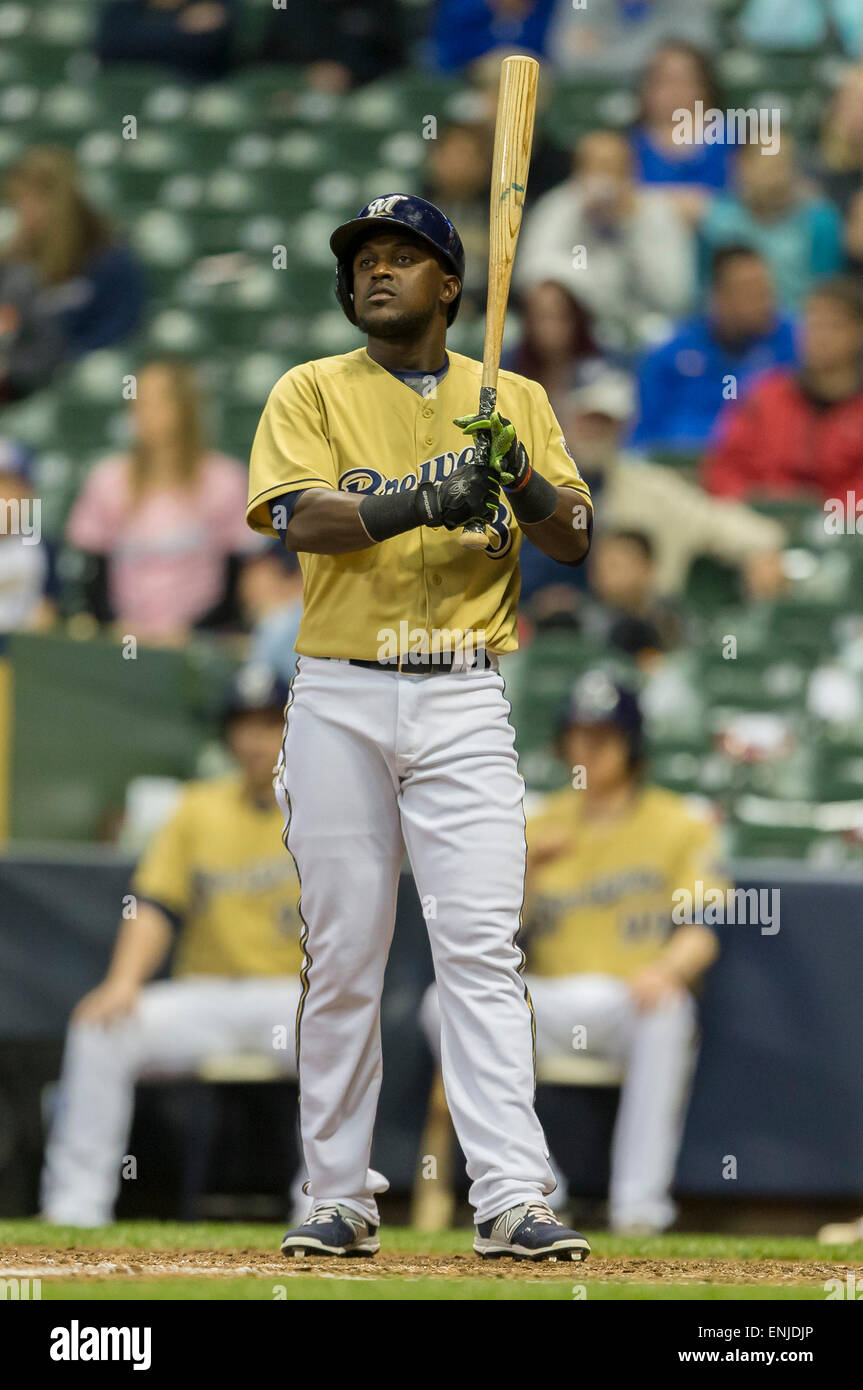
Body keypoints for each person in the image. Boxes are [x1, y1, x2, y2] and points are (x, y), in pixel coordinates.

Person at [246, 193, 594, 1262]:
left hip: (461, 690)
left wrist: (517, 472)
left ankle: (510, 1196)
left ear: (451, 285)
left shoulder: (513, 396)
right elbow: (296, 517)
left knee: (481, 950)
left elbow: (576, 535)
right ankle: (338, 1193)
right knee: (346, 955)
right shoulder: (308, 388)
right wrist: (421, 496)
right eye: (364, 261)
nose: (377, 273)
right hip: (340, 692)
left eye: (403, 258)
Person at [422, 672, 723, 1233]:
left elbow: (702, 931)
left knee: (670, 1012)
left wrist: (666, 971)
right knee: (442, 1003)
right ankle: (533, 1189)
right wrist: (529, 869)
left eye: (602, 738)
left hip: (629, 998)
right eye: (578, 737)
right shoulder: (538, 822)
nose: (587, 750)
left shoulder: (677, 823)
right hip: (549, 1000)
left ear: (631, 744)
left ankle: (640, 1209)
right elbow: (494, 934)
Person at [40, 668, 304, 1228]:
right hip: (208, 996)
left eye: (268, 723)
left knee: (345, 1033)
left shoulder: (329, 806)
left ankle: (328, 1207)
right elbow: (154, 905)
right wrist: (122, 983)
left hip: (294, 1000)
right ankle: (74, 1210)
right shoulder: (196, 808)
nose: (255, 739)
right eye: (243, 725)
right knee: (100, 1026)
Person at [66, 358, 264, 645]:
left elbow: (240, 574)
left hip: (200, 643)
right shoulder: (107, 478)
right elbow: (93, 569)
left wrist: (196, 631)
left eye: (159, 402)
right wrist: (117, 625)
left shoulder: (224, 479)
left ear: (184, 409)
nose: (144, 412)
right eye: (139, 402)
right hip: (123, 638)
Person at [562, 370, 788, 599]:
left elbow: (720, 522)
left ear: (622, 428)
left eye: (604, 423)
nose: (594, 432)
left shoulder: (650, 489)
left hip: (640, 621)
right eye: (586, 421)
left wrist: (760, 551)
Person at [516, 130, 696, 351]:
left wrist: (628, 226)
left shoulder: (658, 211)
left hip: (641, 325)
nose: (604, 180)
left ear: (632, 171)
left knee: (663, 333)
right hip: (576, 328)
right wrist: (582, 220)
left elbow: (675, 295)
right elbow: (531, 279)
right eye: (595, 168)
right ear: (578, 171)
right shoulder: (558, 207)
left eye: (613, 169)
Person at [703, 277, 863, 502]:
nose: (819, 336)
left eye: (833, 326)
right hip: (759, 522)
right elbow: (725, 467)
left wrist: (826, 516)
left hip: (844, 527)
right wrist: (749, 503)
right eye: (812, 324)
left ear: (857, 334)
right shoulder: (764, 396)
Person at [632, 245, 797, 452]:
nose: (764, 301)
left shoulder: (794, 345)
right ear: (718, 297)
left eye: (766, 290)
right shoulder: (668, 355)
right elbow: (644, 435)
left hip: (759, 470)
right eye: (749, 292)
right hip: (677, 468)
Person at [3, 148, 144, 358]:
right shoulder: (12, 264)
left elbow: (120, 335)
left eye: (33, 201)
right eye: (19, 202)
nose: (26, 213)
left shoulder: (111, 261)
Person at [700, 139, 844, 313]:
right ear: (741, 167)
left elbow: (826, 293)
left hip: (798, 328)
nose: (776, 178)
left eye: (782, 166)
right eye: (766, 166)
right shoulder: (717, 220)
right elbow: (705, 290)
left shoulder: (820, 221)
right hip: (731, 327)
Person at [630, 41, 732, 219]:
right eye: (664, 81)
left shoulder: (736, 140)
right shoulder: (628, 146)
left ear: (706, 87)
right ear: (646, 89)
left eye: (685, 80)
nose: (675, 91)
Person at [502, 279, 605, 418]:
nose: (551, 328)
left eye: (560, 317)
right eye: (542, 318)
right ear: (527, 323)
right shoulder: (507, 371)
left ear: (575, 320)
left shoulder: (598, 370)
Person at [255, 0, 403, 93]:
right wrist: (304, 73)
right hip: (300, 91)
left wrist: (350, 71)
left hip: (364, 91)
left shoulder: (378, 5)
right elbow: (268, 61)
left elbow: (395, 60)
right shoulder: (291, 6)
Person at [548, 0, 718, 79]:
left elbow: (698, 55)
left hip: (673, 110)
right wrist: (658, 53)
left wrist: (604, 50)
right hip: (596, 111)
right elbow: (569, 59)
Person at [0, 439, 57, 639]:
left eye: (7, 485)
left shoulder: (43, 548)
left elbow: (50, 608)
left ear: (27, 492)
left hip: (23, 655)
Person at [96, 0, 237, 79]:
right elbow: (111, 45)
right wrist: (178, 27)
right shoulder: (122, 8)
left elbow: (206, 46)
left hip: (192, 93)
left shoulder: (215, 5)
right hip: (126, 96)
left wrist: (140, 35)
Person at [239, 543, 304, 688]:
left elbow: (254, 687)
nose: (245, 583)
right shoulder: (279, 621)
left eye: (258, 569)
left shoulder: (282, 622)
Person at [430, 0, 556, 74]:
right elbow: (446, 61)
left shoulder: (549, 10)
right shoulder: (463, 11)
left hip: (535, 86)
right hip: (470, 85)